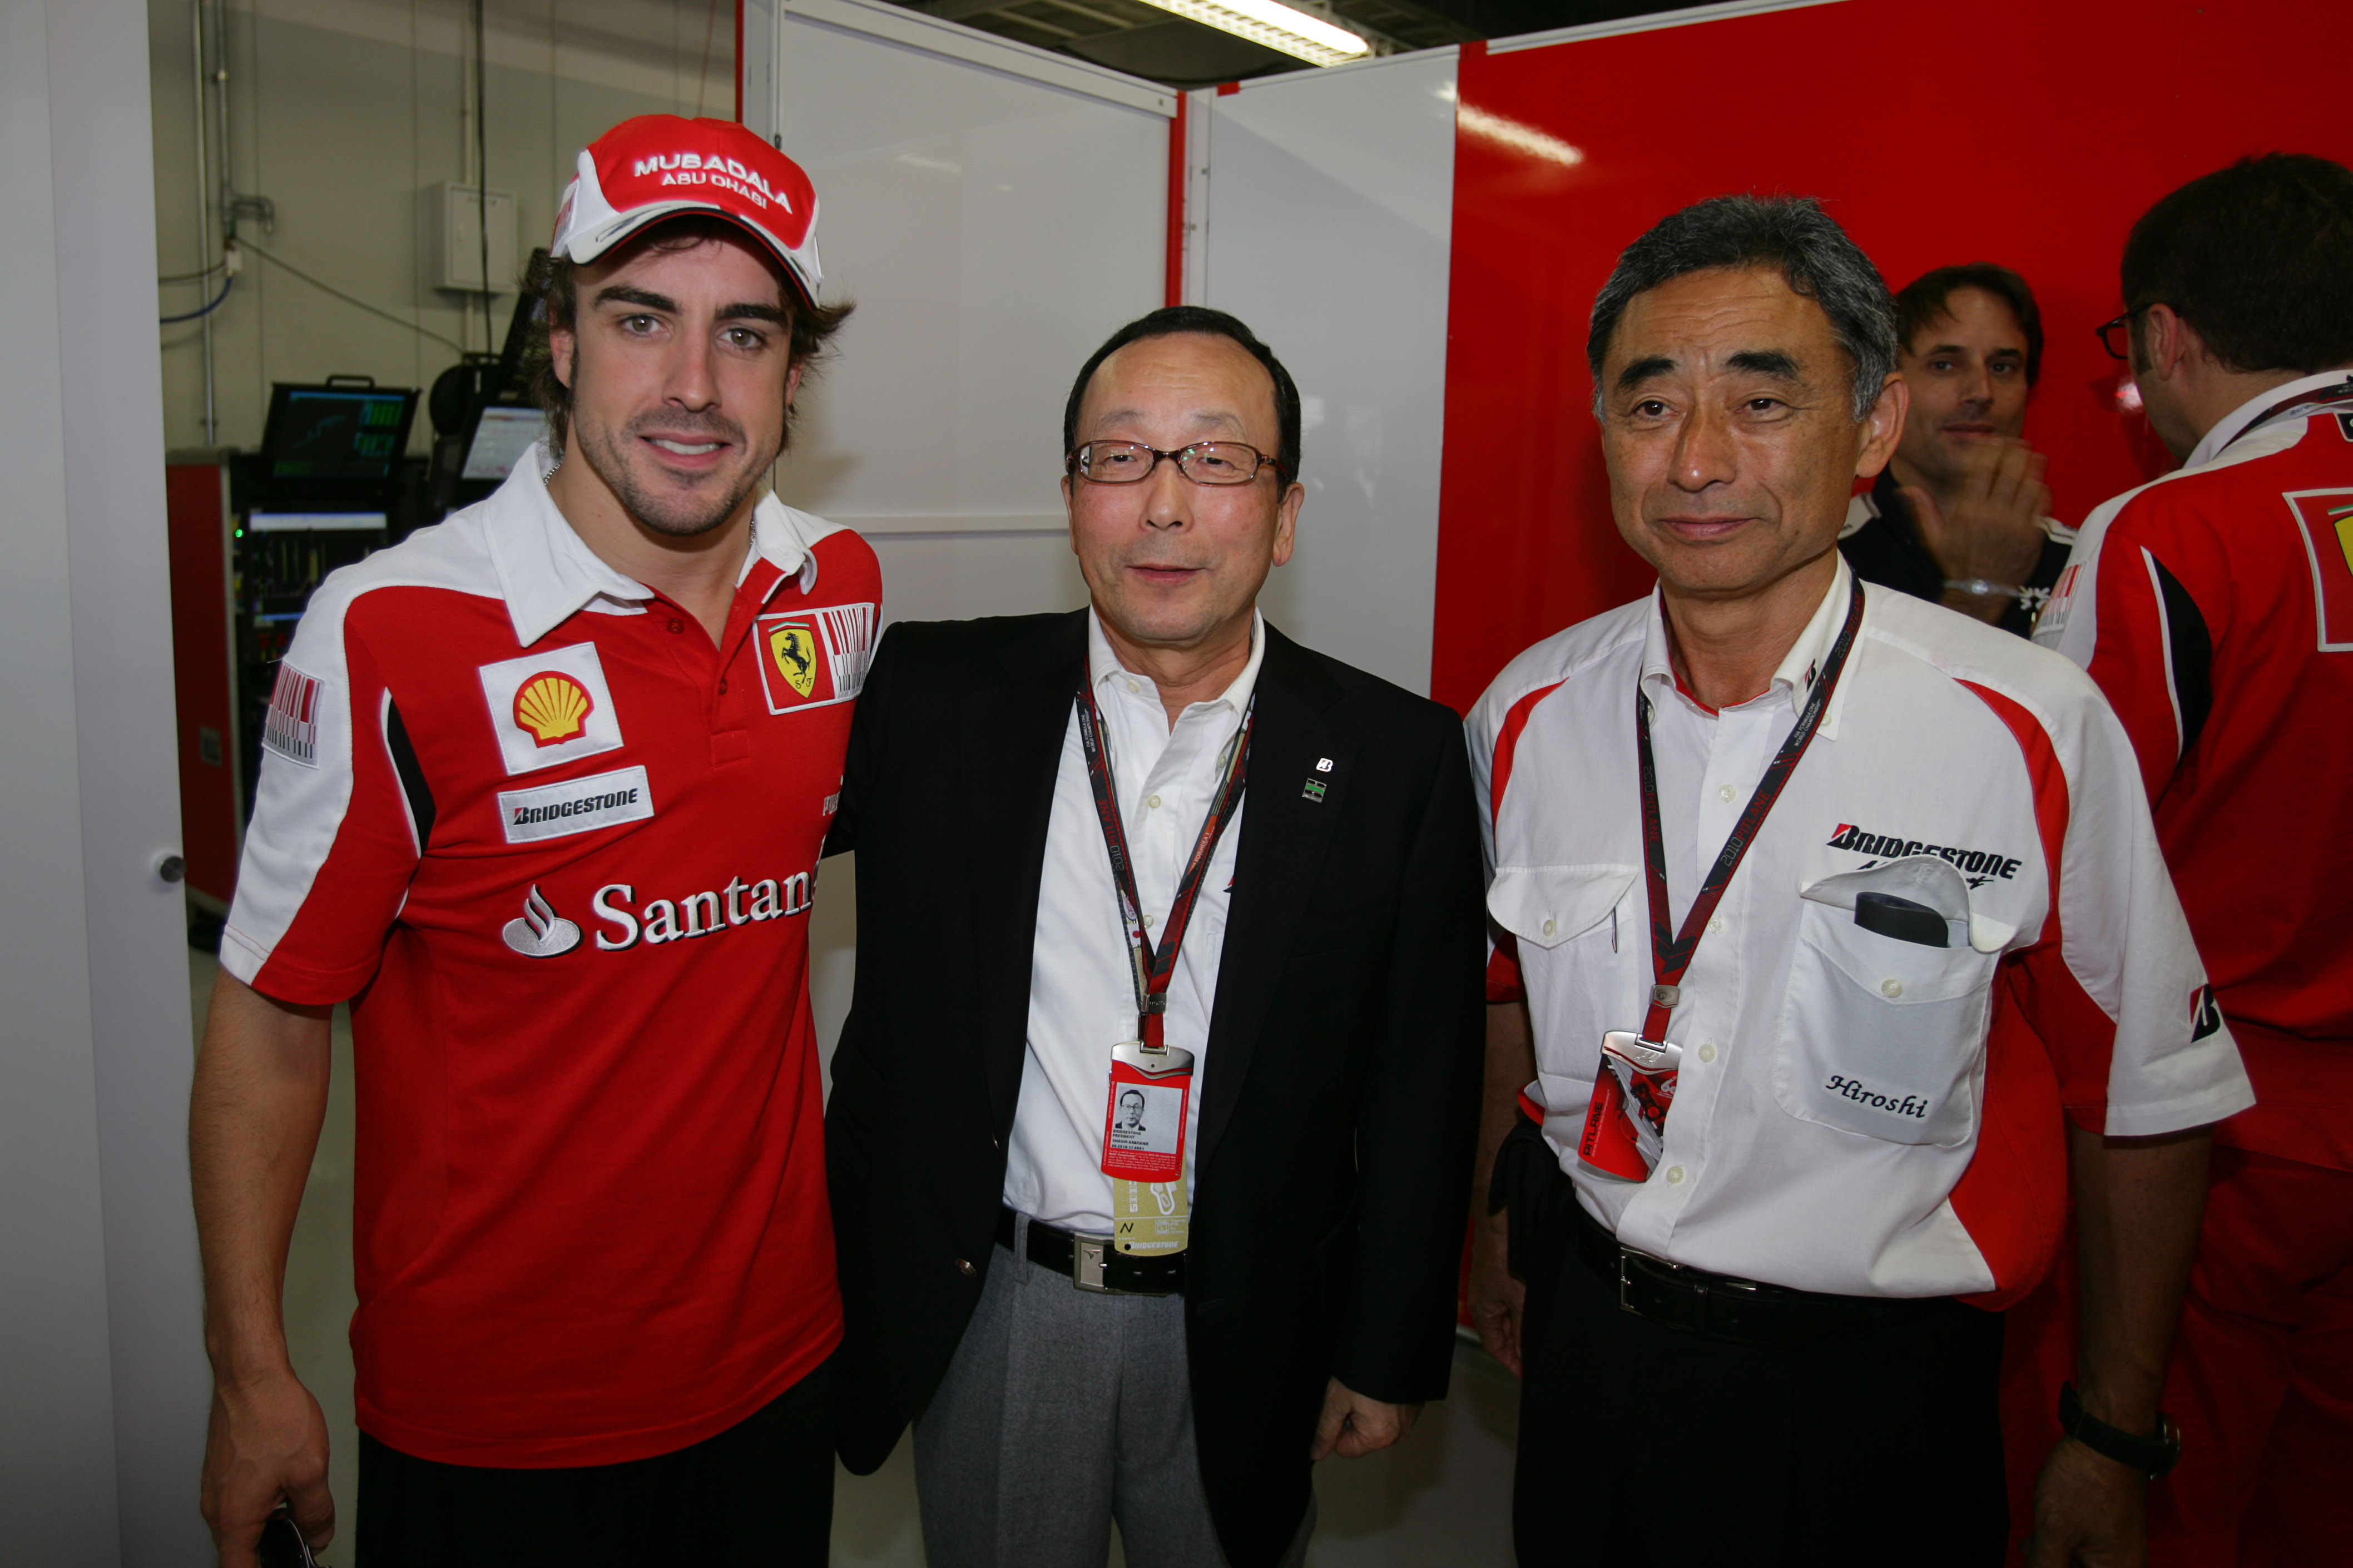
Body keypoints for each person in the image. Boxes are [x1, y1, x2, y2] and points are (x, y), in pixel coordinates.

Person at [1462, 195, 2253, 1568]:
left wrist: (2113, 1430)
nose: (1697, 459)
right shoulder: (1526, 712)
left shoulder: (2025, 725)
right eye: (1650, 407)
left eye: (1762, 402)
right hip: (1595, 1349)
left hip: (1871, 1398)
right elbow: (1510, 1002)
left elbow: (2143, 1099)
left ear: (1872, 429)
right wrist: (1499, 1233)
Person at [188, 115, 875, 1567]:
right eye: (641, 319)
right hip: (495, 1413)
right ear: (560, 340)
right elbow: (271, 1019)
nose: (694, 387)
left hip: (773, 1364)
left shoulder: (836, 587)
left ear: (794, 373)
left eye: (745, 334)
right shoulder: (392, 629)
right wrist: (249, 1371)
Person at [823, 305, 1485, 1568]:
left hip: (1253, 1313)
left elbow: (1421, 1085)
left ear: (1284, 516)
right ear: (1072, 499)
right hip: (998, 1298)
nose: (1164, 506)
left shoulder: (1396, 757)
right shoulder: (935, 697)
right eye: (1119, 458)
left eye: (1218, 459)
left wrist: (1386, 1344)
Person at [2024, 152, 2353, 1567]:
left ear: (2164, 333)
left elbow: (2053, 853)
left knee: (2158, 1504)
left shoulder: (2171, 532)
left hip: (2214, 1131)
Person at [1840, 262, 2072, 634]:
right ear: (1887, 397)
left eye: (2002, 367)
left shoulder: (2085, 561)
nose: (1981, 392)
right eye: (1944, 365)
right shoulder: (1822, 554)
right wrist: (1979, 591)